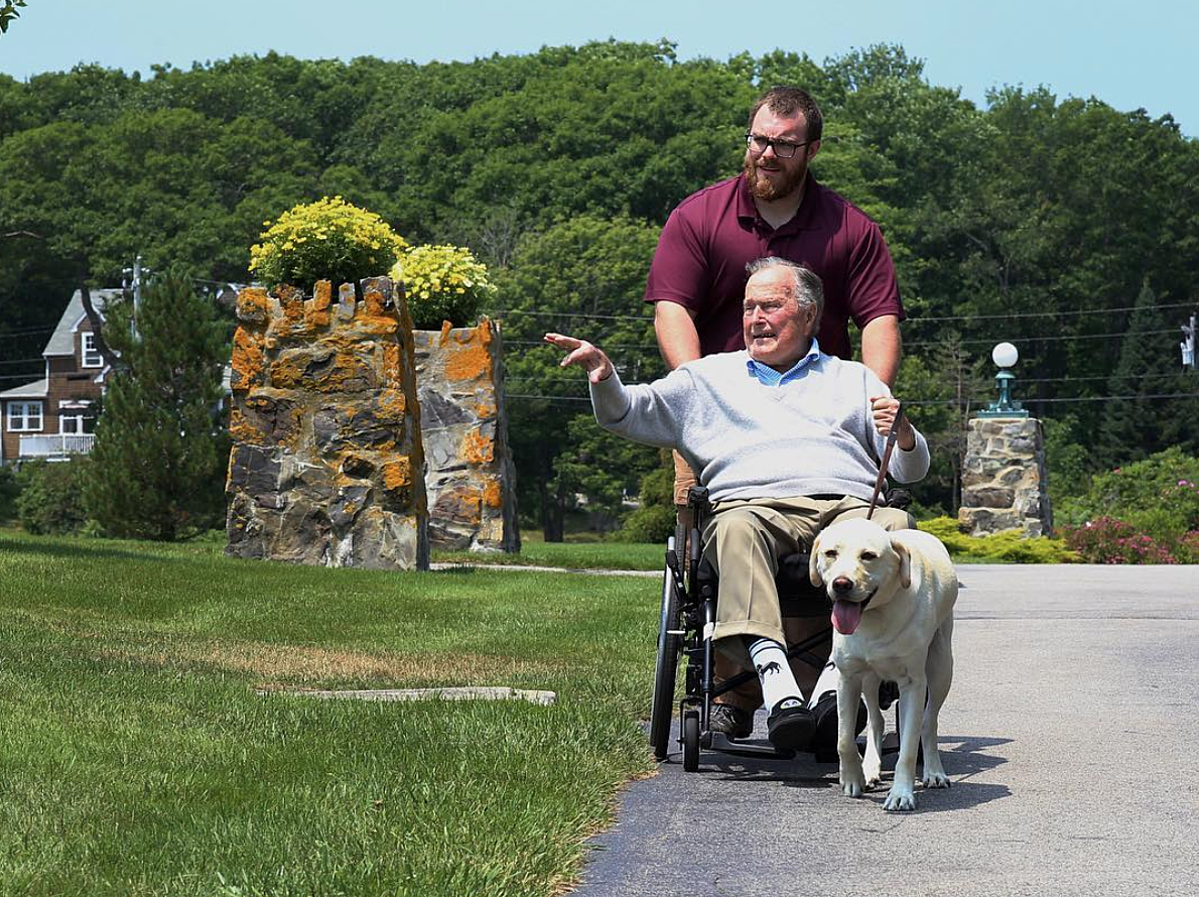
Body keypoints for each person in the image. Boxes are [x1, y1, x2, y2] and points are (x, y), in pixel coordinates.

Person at [546, 258, 928, 751]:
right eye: (748, 307)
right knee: (734, 528)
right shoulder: (707, 379)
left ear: (809, 316)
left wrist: (904, 434)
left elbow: (907, 472)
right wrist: (604, 377)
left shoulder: (852, 379)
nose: (755, 318)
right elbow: (631, 413)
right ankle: (780, 690)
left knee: (896, 524)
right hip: (753, 506)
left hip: (847, 510)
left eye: (771, 305)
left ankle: (838, 685)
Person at [644, 85, 906, 737]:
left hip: (823, 425)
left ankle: (829, 693)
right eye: (757, 139)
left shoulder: (849, 229)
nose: (764, 154)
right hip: (723, 422)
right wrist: (696, 392)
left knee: (848, 542)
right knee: (720, 546)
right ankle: (732, 697)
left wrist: (869, 398)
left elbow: (879, 316)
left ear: (810, 150)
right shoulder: (700, 217)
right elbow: (671, 307)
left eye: (781, 145)